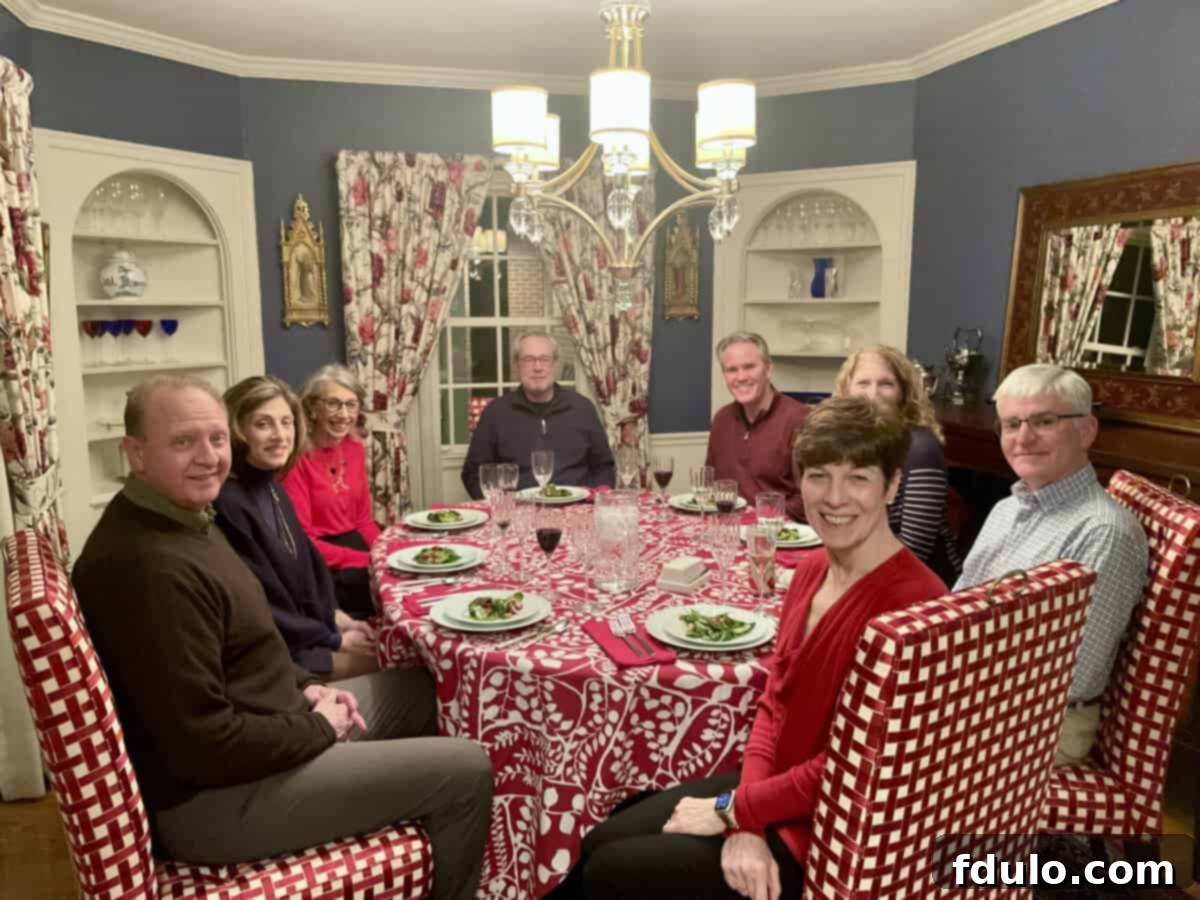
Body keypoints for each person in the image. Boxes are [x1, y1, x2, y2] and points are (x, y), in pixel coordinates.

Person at [72, 375, 492, 900]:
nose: (208, 457)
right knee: (466, 768)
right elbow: (203, 747)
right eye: (183, 442)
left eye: (217, 439)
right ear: (135, 453)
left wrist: (307, 687)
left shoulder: (186, 521)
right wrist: (317, 726)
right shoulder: (151, 569)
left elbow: (250, 642)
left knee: (428, 687)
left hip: (272, 727)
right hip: (220, 802)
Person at [551, 397, 947, 900]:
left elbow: (856, 770)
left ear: (892, 485)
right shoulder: (810, 570)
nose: (835, 497)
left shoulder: (917, 606)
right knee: (600, 838)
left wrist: (736, 812)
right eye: (819, 475)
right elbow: (773, 707)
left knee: (613, 869)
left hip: (833, 831)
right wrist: (744, 822)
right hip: (770, 795)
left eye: (859, 479)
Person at [955, 363, 1148, 766]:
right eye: (1011, 424)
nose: (1023, 438)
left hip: (1041, 725)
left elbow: (1073, 676)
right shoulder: (1008, 508)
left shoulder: (1103, 532)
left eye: (1044, 421)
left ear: (1086, 431)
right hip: (974, 693)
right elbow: (957, 606)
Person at [214, 376, 380, 681]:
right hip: (287, 659)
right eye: (263, 424)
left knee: (400, 646)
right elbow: (264, 606)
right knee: (407, 665)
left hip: (311, 635)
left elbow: (307, 570)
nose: (280, 435)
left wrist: (337, 618)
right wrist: (336, 640)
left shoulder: (272, 487)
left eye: (286, 422)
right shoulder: (230, 504)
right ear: (236, 429)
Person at [834, 345, 962, 584]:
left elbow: (915, 549)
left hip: (920, 583)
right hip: (868, 568)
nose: (873, 393)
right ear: (847, 390)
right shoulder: (850, 444)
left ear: (903, 392)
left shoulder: (921, 449)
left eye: (886, 384)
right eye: (863, 383)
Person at [462, 330, 615, 498]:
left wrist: (595, 500)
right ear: (516, 366)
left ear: (556, 365)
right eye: (528, 360)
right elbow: (473, 473)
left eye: (545, 359)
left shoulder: (583, 408)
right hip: (518, 514)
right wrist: (501, 507)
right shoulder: (495, 413)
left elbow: (604, 467)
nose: (537, 367)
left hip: (577, 509)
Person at [281, 364, 378, 619]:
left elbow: (363, 521)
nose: (344, 414)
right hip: (322, 562)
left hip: (355, 548)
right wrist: (366, 560)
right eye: (333, 403)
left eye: (351, 404)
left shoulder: (355, 448)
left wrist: (383, 552)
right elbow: (304, 542)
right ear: (312, 408)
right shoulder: (296, 459)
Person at [706, 332, 809, 521]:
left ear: (768, 369)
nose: (741, 377)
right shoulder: (721, 419)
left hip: (782, 536)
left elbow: (809, 498)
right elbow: (710, 486)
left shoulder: (800, 419)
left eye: (749, 367)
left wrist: (755, 518)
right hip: (729, 531)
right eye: (732, 370)